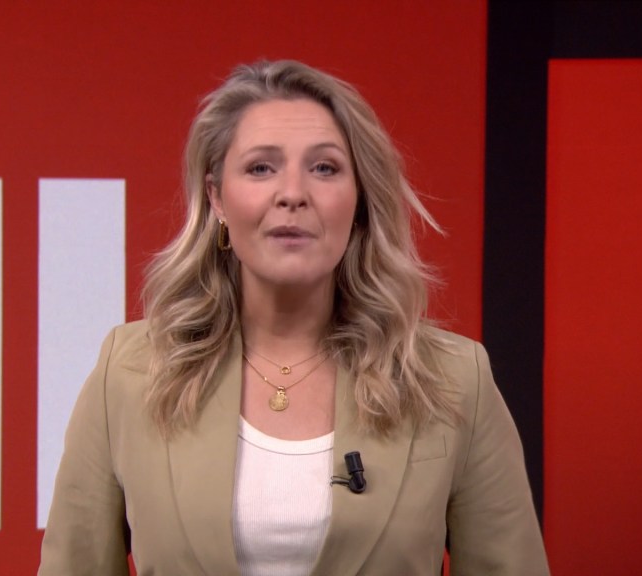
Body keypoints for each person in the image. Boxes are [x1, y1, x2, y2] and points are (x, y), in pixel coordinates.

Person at [39, 60, 549, 575]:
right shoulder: (129, 372)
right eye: (261, 168)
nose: (292, 193)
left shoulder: (454, 379)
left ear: (359, 199)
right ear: (216, 197)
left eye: (324, 168)